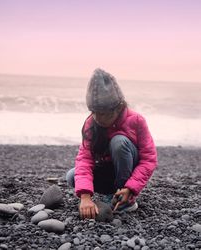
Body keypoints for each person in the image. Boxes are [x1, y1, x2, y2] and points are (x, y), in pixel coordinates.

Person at [66, 68, 157, 220]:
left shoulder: (136, 120)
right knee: (71, 176)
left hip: (128, 173)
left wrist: (130, 188)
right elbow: (84, 159)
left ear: (118, 107)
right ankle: (111, 195)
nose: (97, 118)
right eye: (93, 112)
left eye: (103, 113)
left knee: (119, 142)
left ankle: (125, 199)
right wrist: (85, 196)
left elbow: (149, 159)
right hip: (108, 172)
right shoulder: (91, 123)